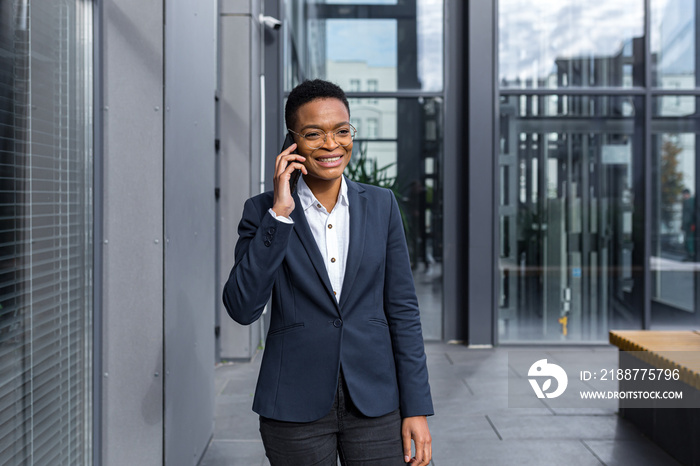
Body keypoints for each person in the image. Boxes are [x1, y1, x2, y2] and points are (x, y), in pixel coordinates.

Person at [222, 79, 433, 465]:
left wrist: (416, 407)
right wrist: (279, 217)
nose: (332, 144)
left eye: (341, 131)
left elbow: (403, 310)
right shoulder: (263, 211)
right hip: (294, 404)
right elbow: (242, 307)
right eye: (314, 133)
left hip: (376, 400)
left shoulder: (382, 205)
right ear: (292, 141)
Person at [681, 188, 696, 261]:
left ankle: (691, 254)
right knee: (686, 240)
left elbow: (692, 214)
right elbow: (684, 215)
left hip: (690, 225)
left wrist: (693, 223)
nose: (684, 195)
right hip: (686, 225)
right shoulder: (685, 202)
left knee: (690, 240)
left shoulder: (691, 201)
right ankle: (689, 255)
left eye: (685, 194)